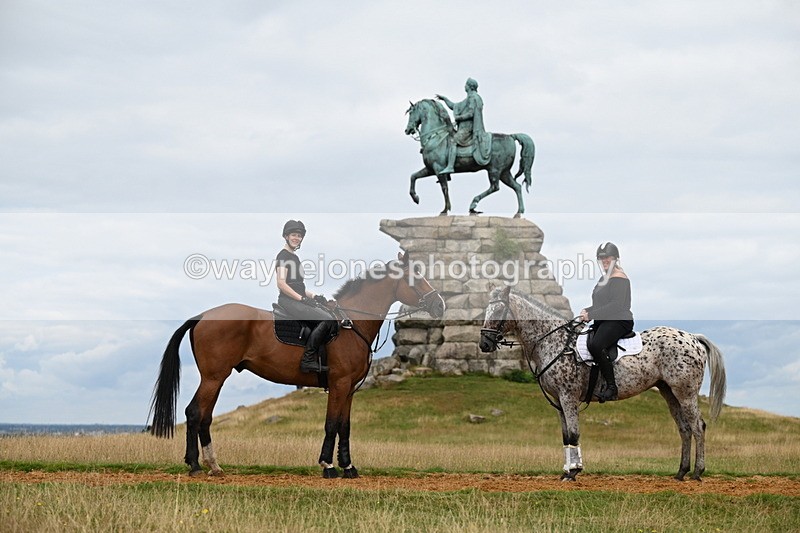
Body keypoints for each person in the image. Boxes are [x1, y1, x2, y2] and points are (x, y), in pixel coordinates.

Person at [275, 219, 337, 373]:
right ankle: (307, 360)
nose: (297, 238)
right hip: (288, 300)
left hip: (297, 297)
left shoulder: (294, 258)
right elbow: (281, 284)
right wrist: (301, 299)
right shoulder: (283, 256)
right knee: (326, 319)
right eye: (294, 235)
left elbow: (299, 286)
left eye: (299, 236)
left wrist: (316, 297)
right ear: (286, 236)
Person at [579, 242, 634, 402]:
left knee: (596, 345)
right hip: (605, 320)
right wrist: (587, 311)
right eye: (601, 259)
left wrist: (591, 314)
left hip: (619, 320)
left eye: (607, 258)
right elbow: (601, 304)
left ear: (615, 259)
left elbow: (616, 305)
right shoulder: (604, 278)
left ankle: (612, 387)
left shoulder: (620, 278)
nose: (604, 262)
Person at [436, 77, 491, 173]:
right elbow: (454, 106)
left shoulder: (473, 98)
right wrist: (445, 99)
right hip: (464, 128)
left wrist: (459, 118)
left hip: (468, 129)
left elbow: (471, 113)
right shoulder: (469, 98)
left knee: (453, 141)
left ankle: (450, 166)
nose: (464, 86)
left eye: (466, 84)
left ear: (469, 86)